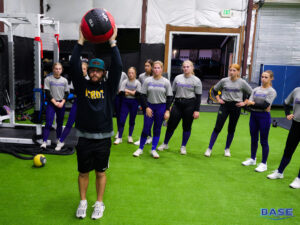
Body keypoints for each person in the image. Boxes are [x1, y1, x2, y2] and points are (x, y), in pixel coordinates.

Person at [70, 27, 122, 219]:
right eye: (92, 70)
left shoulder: (109, 88)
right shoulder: (81, 85)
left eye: (98, 70)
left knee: (100, 172)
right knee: (83, 172)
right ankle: (83, 201)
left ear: (103, 72)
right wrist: (80, 42)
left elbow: (117, 66)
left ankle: (99, 203)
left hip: (103, 138)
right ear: (89, 71)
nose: (94, 73)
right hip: (84, 137)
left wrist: (113, 43)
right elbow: (74, 66)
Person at [204, 64, 252, 157]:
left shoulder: (242, 82)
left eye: (234, 70)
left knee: (231, 129)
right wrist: (218, 99)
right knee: (217, 128)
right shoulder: (224, 81)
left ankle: (227, 149)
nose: (232, 72)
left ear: (238, 71)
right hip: (224, 106)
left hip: (236, 106)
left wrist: (244, 102)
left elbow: (251, 92)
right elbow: (215, 90)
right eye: (230, 70)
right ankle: (209, 148)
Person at [157, 60, 202, 155]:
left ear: (192, 68)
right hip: (177, 104)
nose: (185, 68)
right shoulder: (177, 78)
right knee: (171, 125)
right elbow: (172, 94)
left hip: (190, 105)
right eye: (184, 67)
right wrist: (168, 107)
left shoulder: (196, 80)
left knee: (186, 127)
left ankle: (183, 146)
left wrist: (197, 110)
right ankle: (165, 143)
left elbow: (198, 97)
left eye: (188, 67)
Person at [133, 61, 173, 159]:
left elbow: (169, 97)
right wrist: (146, 107)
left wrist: (167, 110)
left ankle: (153, 149)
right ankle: (140, 148)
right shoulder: (148, 80)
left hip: (161, 107)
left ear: (162, 69)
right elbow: (142, 95)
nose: (156, 69)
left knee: (157, 129)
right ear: (152, 69)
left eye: (158, 68)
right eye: (154, 68)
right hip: (150, 106)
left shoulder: (166, 82)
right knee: (146, 128)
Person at [242, 70, 277, 172]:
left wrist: (252, 103)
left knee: (263, 141)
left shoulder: (272, 91)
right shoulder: (256, 89)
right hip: (253, 116)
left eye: (266, 77)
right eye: (262, 76)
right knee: (253, 138)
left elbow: (264, 106)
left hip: (264, 117)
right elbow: (248, 104)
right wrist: (251, 103)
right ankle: (253, 159)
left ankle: (263, 163)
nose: (263, 79)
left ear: (271, 78)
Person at [267, 87, 300, 189]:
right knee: (288, 149)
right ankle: (280, 172)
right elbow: (286, 103)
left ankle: (299, 179)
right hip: (296, 125)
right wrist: (287, 114)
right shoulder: (297, 90)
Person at [55, 62, 89, 151]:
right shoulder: (75, 79)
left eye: (84, 69)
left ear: (87, 70)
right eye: (81, 68)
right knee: (69, 123)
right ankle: (61, 141)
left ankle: (84, 144)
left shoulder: (90, 80)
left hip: (87, 105)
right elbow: (72, 92)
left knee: (86, 125)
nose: (82, 70)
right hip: (77, 103)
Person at [40, 62, 69, 149]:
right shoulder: (48, 79)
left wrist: (62, 102)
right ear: (53, 69)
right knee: (48, 122)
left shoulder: (64, 80)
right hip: (52, 104)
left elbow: (67, 93)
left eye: (59, 69)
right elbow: (47, 93)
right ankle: (44, 142)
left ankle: (58, 139)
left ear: (62, 70)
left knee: (59, 123)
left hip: (61, 104)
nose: (58, 70)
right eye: (56, 69)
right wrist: (55, 102)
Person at [114, 67, 141, 144]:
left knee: (132, 120)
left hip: (134, 103)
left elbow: (138, 94)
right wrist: (133, 92)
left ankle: (130, 136)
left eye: (132, 73)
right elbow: (121, 93)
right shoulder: (125, 81)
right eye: (129, 73)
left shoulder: (137, 83)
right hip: (125, 102)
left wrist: (127, 91)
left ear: (135, 74)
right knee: (122, 120)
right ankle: (119, 137)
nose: (130, 74)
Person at [134, 59, 154, 145]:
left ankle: (148, 137)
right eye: (145, 66)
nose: (146, 67)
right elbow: (139, 87)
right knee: (146, 120)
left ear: (152, 67)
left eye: (148, 66)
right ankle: (147, 137)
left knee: (150, 121)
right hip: (144, 101)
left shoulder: (155, 76)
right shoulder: (141, 76)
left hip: (154, 101)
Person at [114, 71, 128, 139]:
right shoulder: (109, 73)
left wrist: (124, 90)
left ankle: (120, 131)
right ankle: (118, 131)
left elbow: (127, 83)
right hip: (113, 96)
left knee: (121, 114)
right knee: (116, 114)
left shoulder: (123, 74)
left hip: (121, 96)